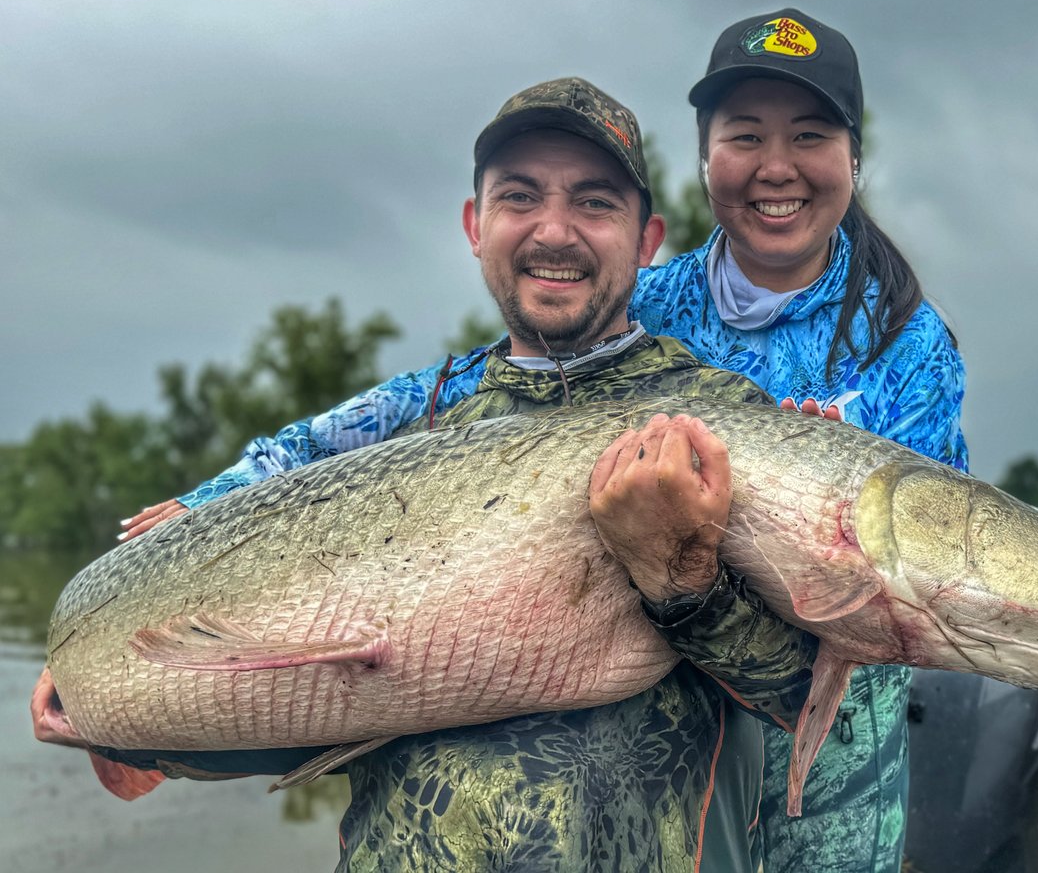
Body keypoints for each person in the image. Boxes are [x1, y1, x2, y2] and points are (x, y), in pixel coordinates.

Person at [35, 77, 819, 873]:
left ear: (647, 239)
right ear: (476, 226)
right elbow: (306, 704)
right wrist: (131, 724)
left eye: (593, 202)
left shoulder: (721, 421)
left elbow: (810, 695)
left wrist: (682, 583)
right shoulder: (402, 432)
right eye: (520, 197)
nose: (555, 231)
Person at [627, 8, 969, 873]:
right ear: (703, 157)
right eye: (744, 136)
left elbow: (910, 584)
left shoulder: (908, 341)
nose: (775, 168)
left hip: (838, 758)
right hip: (657, 738)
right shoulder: (641, 309)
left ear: (853, 157)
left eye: (809, 136)